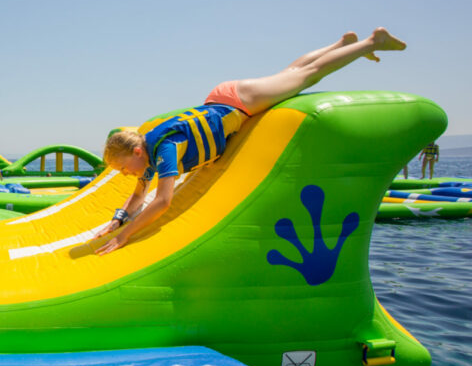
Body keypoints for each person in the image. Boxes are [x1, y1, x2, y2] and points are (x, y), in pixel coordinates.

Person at [95, 28, 406, 256]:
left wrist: (126, 237)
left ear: (137, 151)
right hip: (223, 98)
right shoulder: (146, 157)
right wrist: (118, 220)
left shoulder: (164, 149)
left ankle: (370, 42)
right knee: (292, 73)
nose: (125, 174)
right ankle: (342, 44)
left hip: (240, 102)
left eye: (123, 167)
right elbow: (138, 197)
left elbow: (162, 201)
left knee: (308, 75)